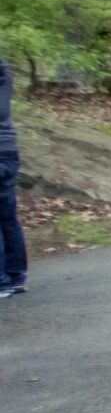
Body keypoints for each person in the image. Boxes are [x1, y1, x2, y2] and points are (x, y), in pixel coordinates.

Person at [0, 55, 24, 300]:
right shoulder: (4, 73)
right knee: (7, 218)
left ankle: (2, 282)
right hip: (8, 150)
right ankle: (15, 277)